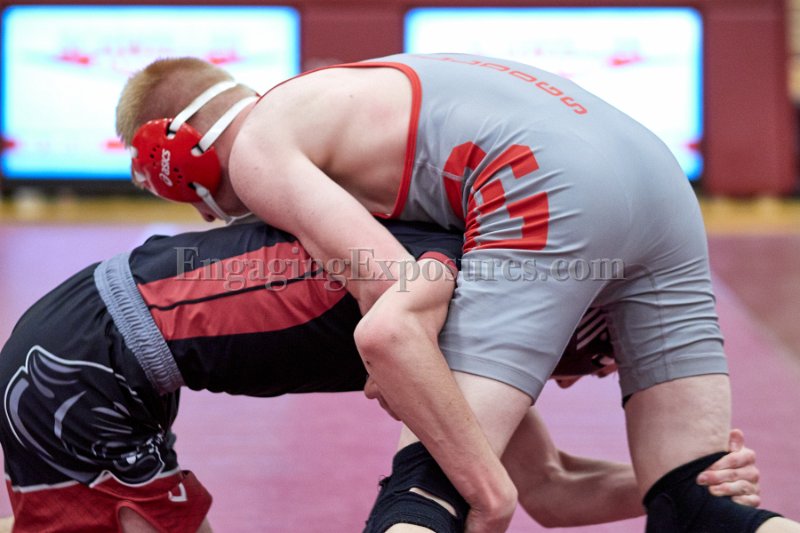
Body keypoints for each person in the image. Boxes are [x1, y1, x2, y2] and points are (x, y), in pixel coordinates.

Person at [115, 55, 798, 532]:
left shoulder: (259, 148)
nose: (200, 214)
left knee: (432, 492)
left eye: (169, 188)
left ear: (177, 153)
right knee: (697, 504)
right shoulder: (344, 101)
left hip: (541, 181)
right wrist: (653, 473)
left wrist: (405, 382)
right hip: (663, 183)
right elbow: (549, 488)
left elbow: (396, 290)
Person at [0, 218, 758, 533]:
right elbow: (389, 344)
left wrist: (679, 484)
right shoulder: (460, 284)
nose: (564, 384)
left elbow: (548, 486)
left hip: (112, 350)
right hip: (88, 356)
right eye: (588, 362)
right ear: (568, 313)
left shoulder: (484, 315)